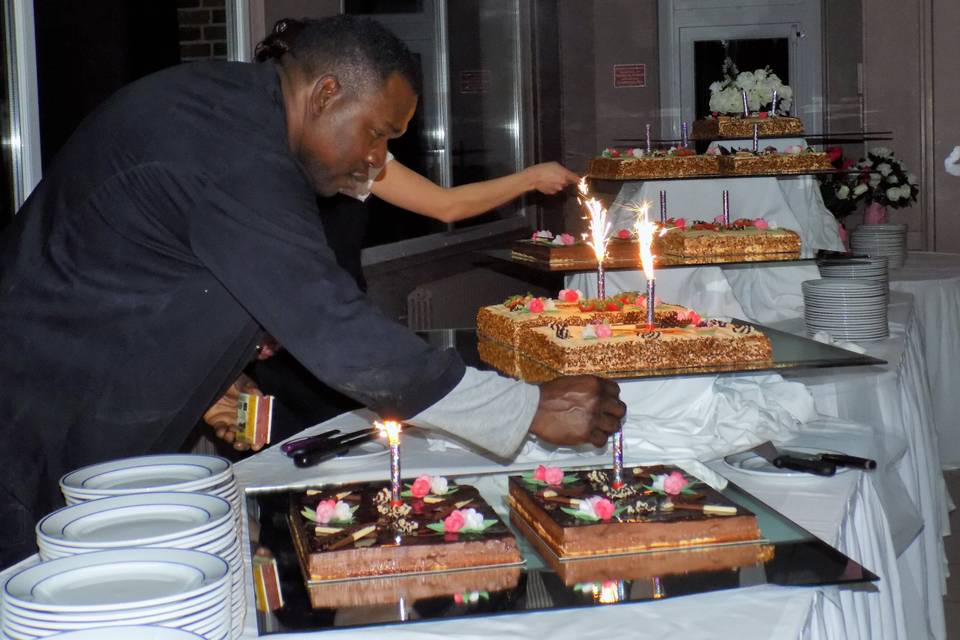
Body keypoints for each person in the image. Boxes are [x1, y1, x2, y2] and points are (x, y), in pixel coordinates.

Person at [0, 15, 625, 568]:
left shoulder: (234, 108)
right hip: (30, 427)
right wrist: (526, 408)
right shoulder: (238, 155)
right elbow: (339, 334)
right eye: (377, 134)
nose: (377, 159)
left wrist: (217, 370)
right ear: (326, 93)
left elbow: (157, 269)